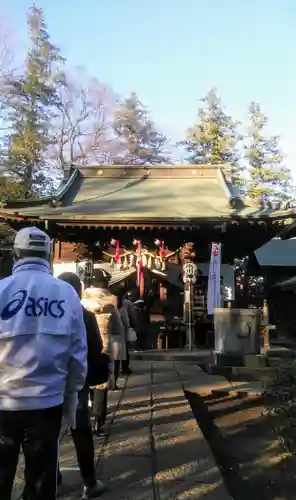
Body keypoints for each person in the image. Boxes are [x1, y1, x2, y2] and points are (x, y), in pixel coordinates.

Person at [0, 227, 87, 500]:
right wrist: (71, 397)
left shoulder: (1, 290)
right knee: (40, 484)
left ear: (15, 254)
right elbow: (77, 354)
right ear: (48, 255)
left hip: (2, 403)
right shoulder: (66, 293)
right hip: (47, 403)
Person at [57, 272, 107, 500]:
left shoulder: (51, 312)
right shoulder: (85, 315)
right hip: (78, 381)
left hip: (51, 382)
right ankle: (89, 481)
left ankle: (53, 477)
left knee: (50, 432)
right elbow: (95, 347)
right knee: (81, 430)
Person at [81, 269, 124, 433]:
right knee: (100, 384)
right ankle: (98, 420)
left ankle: (82, 417)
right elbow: (118, 328)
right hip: (103, 347)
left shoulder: (81, 300)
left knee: (84, 382)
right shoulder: (111, 302)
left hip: (83, 346)